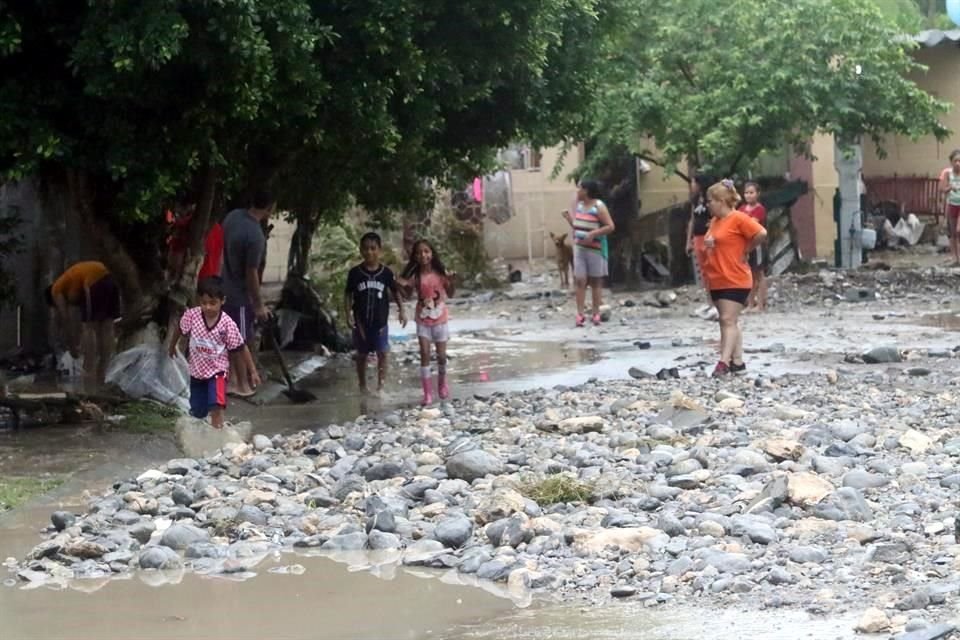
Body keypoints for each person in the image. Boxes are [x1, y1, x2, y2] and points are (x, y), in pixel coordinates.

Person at [168, 277, 260, 429]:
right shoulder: (192, 316)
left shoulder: (227, 324)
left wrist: (253, 371)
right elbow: (179, 329)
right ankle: (201, 432)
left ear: (222, 301)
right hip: (197, 372)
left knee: (217, 405)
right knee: (198, 411)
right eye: (204, 303)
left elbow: (241, 347)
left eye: (212, 303)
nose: (208, 307)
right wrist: (172, 346)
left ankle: (218, 431)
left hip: (218, 372)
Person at [702, 180, 767, 377]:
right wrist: (710, 245)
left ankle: (723, 362)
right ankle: (737, 362)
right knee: (728, 321)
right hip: (717, 277)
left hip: (735, 277)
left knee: (727, 319)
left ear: (721, 201)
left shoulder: (738, 218)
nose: (707, 205)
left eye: (710, 201)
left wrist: (746, 249)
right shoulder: (715, 221)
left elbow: (761, 232)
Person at [221, 190, 275, 397]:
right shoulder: (255, 235)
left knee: (230, 339)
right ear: (270, 208)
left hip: (223, 288)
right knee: (240, 341)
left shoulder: (232, 217)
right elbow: (251, 273)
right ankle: (242, 385)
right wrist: (259, 305)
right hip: (239, 296)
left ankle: (232, 381)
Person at [345, 232, 407, 395]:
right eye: (366, 249)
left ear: (380, 250)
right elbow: (348, 294)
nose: (369, 252)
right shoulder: (355, 273)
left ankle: (381, 386)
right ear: (361, 250)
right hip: (361, 322)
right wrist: (348, 314)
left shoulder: (386, 273)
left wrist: (402, 311)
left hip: (380, 322)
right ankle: (362, 386)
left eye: (373, 248)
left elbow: (395, 292)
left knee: (383, 353)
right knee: (361, 354)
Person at [398, 239, 455, 406]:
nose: (423, 255)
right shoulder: (415, 276)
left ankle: (442, 383)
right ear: (414, 256)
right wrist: (399, 285)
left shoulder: (441, 273)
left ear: (432, 253)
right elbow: (408, 295)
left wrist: (452, 281)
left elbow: (451, 293)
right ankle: (427, 393)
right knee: (424, 353)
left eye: (426, 251)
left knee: (442, 356)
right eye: (419, 253)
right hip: (422, 319)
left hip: (440, 318)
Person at [45, 261, 121, 384]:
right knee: (107, 326)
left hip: (94, 281)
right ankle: (104, 369)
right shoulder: (72, 285)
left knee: (89, 327)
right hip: (109, 278)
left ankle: (89, 368)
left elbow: (65, 319)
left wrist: (72, 348)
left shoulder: (55, 290)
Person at [561, 179, 615, 327]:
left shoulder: (598, 206)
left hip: (595, 249)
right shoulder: (579, 206)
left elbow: (610, 226)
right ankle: (580, 314)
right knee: (580, 280)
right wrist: (569, 219)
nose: (577, 191)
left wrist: (593, 234)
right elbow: (578, 226)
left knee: (595, 281)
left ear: (586, 191)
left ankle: (596, 313)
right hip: (580, 248)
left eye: (579, 189)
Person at [738, 181, 769, 311]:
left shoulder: (760, 209)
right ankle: (750, 304)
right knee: (749, 275)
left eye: (751, 192)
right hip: (746, 245)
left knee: (759, 274)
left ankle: (761, 304)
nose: (748, 195)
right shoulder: (741, 209)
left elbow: (751, 225)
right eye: (746, 193)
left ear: (758, 194)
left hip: (757, 245)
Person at [939, 149, 960, 265]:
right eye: (955, 160)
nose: (958, 163)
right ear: (951, 162)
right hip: (952, 204)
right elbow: (942, 189)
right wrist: (950, 187)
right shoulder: (947, 173)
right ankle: (955, 258)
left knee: (959, 230)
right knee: (953, 233)